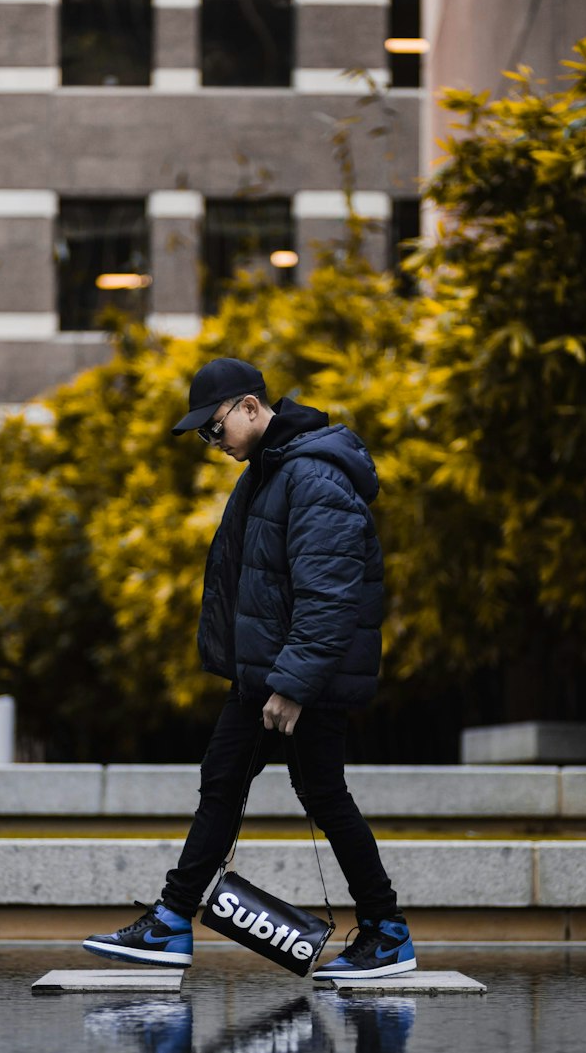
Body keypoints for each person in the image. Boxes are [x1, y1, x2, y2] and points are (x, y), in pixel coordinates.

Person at [82, 357, 415, 981]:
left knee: (304, 791)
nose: (214, 443)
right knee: (240, 778)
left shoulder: (311, 476)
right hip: (271, 672)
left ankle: (383, 931)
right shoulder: (272, 471)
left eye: (215, 428)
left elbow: (330, 593)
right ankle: (177, 920)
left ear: (249, 407)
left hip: (295, 677)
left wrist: (291, 684)